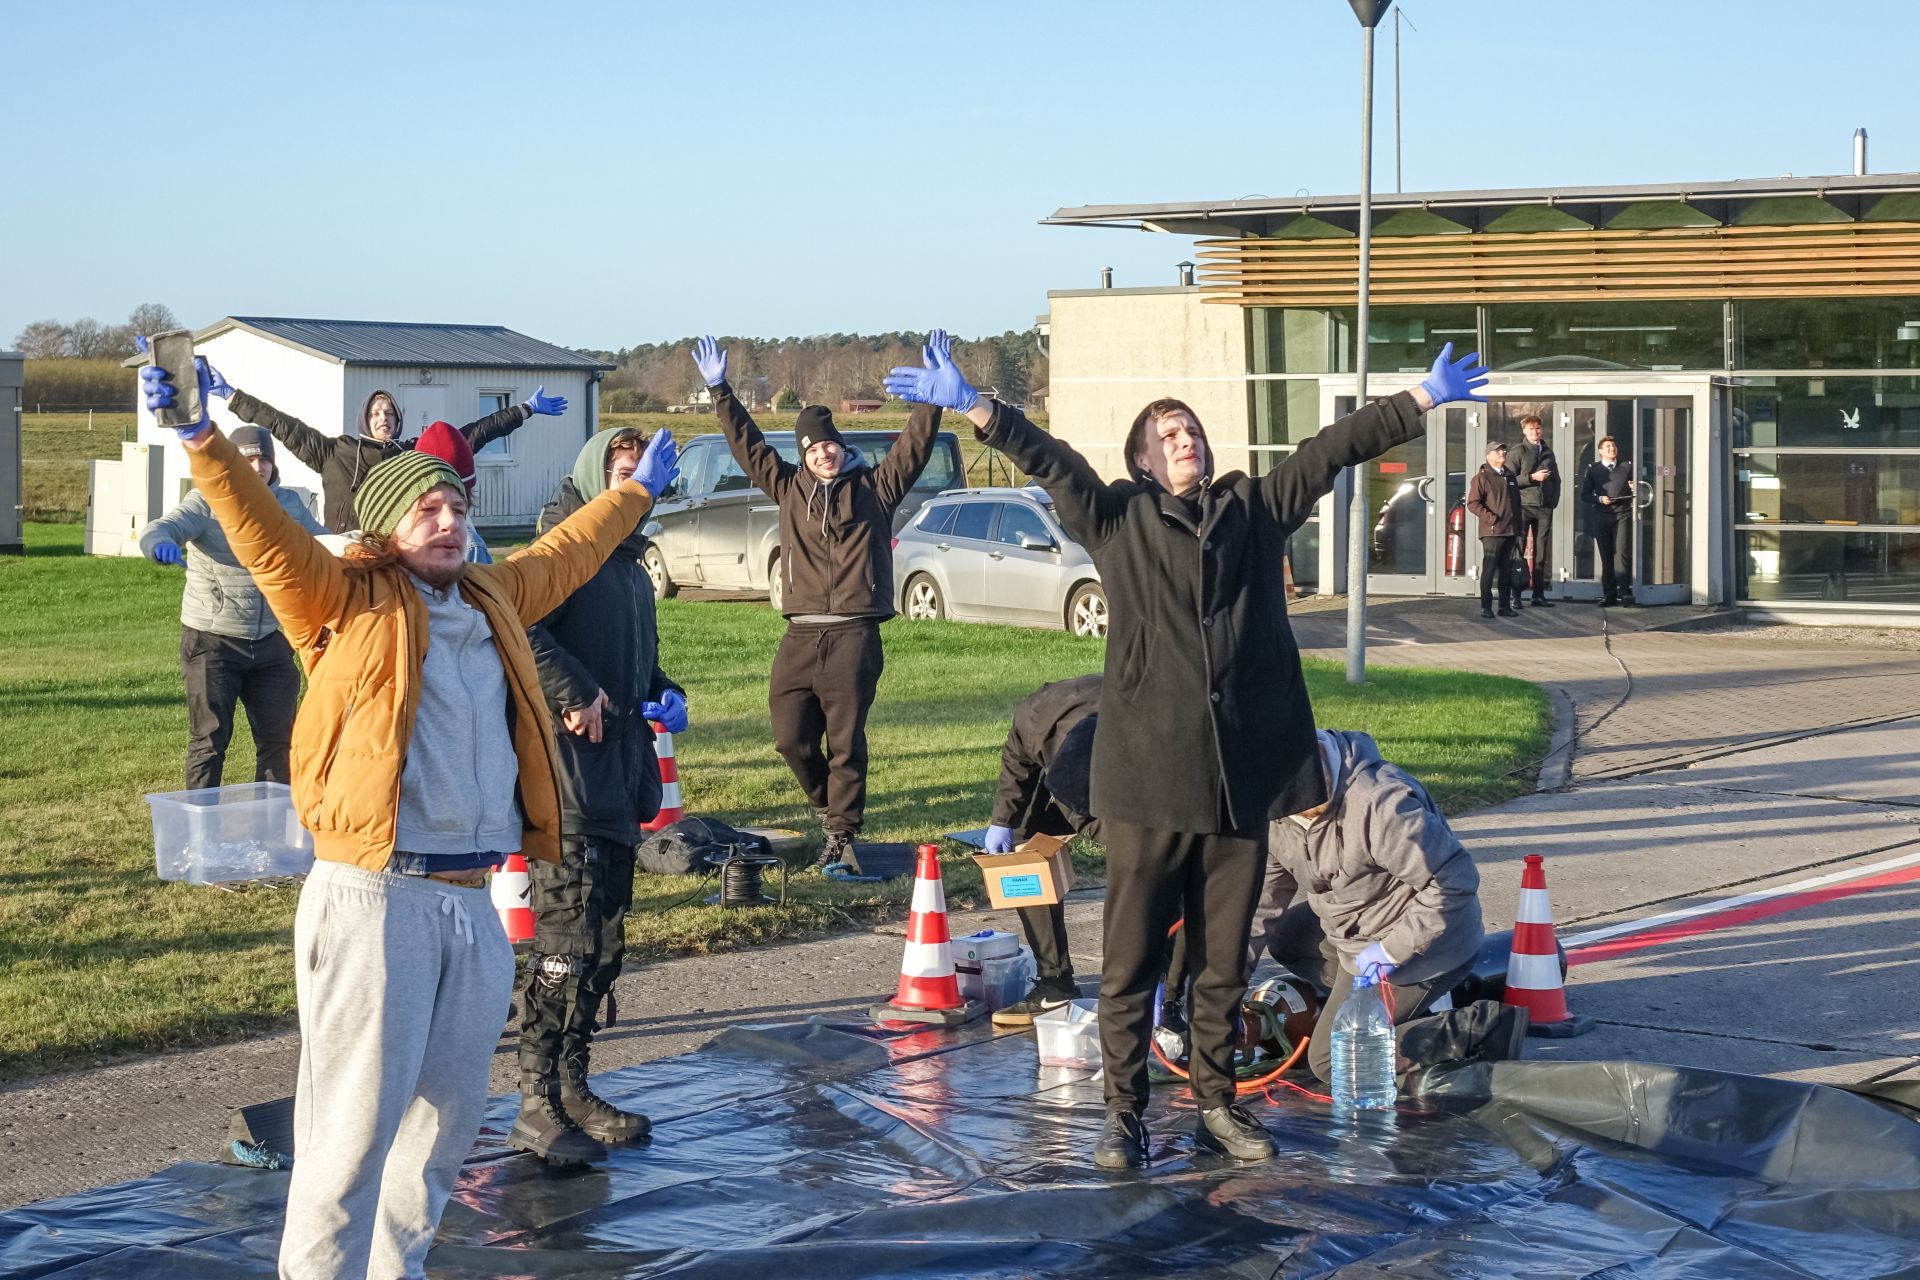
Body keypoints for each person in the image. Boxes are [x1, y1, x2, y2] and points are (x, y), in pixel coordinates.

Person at [886, 333, 1488, 1169]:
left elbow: (1329, 452)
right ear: (1142, 459)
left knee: (1220, 965)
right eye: (1166, 434)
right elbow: (1052, 462)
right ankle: (1123, 1115)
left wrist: (1418, 399)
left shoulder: (1251, 510)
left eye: (1192, 429)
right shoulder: (1118, 520)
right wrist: (979, 407)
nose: (1185, 440)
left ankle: (1216, 1105)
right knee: (1131, 963)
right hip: (1146, 786)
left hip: (1241, 789)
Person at [140, 355, 678, 1280]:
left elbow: (570, 550)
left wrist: (632, 495)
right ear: (385, 527)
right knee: (349, 1141)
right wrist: (201, 437)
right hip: (372, 899)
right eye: (427, 509)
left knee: (439, 1139)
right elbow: (263, 532)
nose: (449, 520)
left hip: (472, 903)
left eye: (458, 508)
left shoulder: (493, 596)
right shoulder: (340, 599)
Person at [689, 333, 941, 871]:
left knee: (845, 742)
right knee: (790, 738)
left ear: (841, 446)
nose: (823, 453)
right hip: (800, 633)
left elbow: (914, 448)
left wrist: (932, 400)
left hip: (854, 633)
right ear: (802, 455)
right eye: (812, 448)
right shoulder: (787, 489)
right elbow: (747, 444)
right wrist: (720, 390)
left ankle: (841, 833)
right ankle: (831, 810)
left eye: (829, 445)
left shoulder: (875, 489)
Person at [514, 427, 688, 1164]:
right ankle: (536, 1099)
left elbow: (636, 663)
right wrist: (576, 691)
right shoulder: (562, 550)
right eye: (622, 474)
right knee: (565, 943)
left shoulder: (629, 567)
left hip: (620, 778)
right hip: (567, 784)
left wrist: (666, 692)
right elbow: (518, 626)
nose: (635, 487)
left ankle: (573, 1083)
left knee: (605, 945)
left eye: (643, 476)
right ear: (595, 479)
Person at [1256, 729, 1527, 1085]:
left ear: (1321, 757)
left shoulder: (1383, 804)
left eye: (1306, 804)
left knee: (1332, 1062)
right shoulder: (1277, 805)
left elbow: (1455, 883)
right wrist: (1220, 985)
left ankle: (1477, 1026)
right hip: (1354, 927)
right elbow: (1263, 904)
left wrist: (1389, 951)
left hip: (1425, 944)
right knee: (1286, 938)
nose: (1299, 815)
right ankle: (1384, 1010)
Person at [137, 424, 327, 790]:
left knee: (280, 742)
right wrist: (157, 543)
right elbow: (162, 527)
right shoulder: (206, 501)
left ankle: (272, 820)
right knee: (209, 742)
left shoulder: (288, 504)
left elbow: (323, 543)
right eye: (248, 459)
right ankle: (198, 824)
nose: (257, 467)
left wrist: (361, 548)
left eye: (264, 459)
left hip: (270, 640)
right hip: (212, 642)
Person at [225, 379, 571, 532]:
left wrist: (523, 409)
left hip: (391, 556)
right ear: (365, 418)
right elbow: (281, 424)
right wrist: (232, 396)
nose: (383, 419)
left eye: (390, 413)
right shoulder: (335, 452)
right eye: (376, 413)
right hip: (342, 552)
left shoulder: (413, 455)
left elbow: (473, 434)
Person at [1466, 441, 1523, 619]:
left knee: (1506, 570)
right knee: (1489, 569)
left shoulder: (1510, 476)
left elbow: (1516, 504)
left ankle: (1504, 606)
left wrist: (1518, 527)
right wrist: (1491, 518)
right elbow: (1473, 503)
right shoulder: (1481, 478)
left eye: (1503, 450)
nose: (1502, 453)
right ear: (1489, 455)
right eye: (1498, 451)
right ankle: (1486, 607)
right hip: (1492, 532)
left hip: (1511, 531)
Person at [1508, 414, 1560, 606]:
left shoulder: (1548, 452)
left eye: (1537, 428)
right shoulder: (1517, 452)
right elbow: (1508, 480)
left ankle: (1538, 595)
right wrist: (1531, 478)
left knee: (1541, 553)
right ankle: (1516, 595)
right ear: (1524, 431)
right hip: (1523, 506)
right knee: (1519, 550)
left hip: (1544, 508)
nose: (1535, 432)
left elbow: (1556, 479)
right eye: (1531, 429)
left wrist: (1553, 501)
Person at [1581, 435, 1635, 605]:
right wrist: (1599, 499)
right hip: (1602, 516)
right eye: (1608, 447)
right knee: (1606, 556)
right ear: (1600, 451)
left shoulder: (1627, 466)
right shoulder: (1593, 469)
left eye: (1613, 446)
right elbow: (1585, 494)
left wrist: (1635, 487)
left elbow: (1640, 485)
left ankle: (1625, 592)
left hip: (1622, 514)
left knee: (1622, 553)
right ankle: (1609, 594)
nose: (1612, 449)